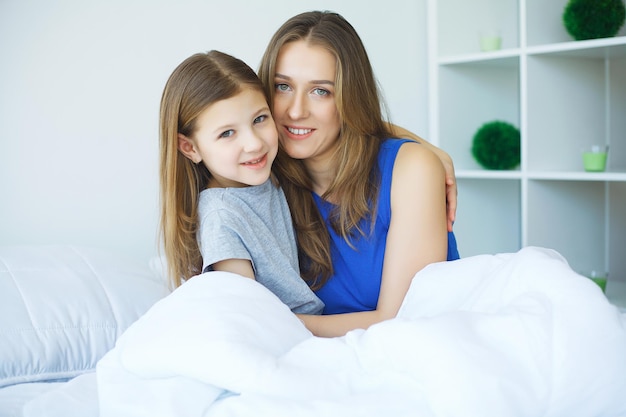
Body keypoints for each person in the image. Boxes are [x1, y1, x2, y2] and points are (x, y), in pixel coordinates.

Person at [257, 10, 460, 337]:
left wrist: (277, 325)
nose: (295, 110)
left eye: (320, 91)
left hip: (419, 352)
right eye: (282, 86)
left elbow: (401, 323)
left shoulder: (411, 170)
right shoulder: (263, 179)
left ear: (350, 96)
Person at [159, 50, 324, 314]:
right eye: (227, 133)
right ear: (189, 148)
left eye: (259, 119)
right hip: (288, 332)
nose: (254, 143)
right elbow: (253, 316)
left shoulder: (265, 172)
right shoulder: (221, 218)